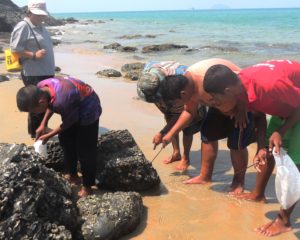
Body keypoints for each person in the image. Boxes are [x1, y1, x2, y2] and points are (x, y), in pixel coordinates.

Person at [202, 59, 300, 237]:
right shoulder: (240, 85)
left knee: (294, 162)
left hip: (297, 107)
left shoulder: (270, 85)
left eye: (216, 101)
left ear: (228, 91)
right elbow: (259, 114)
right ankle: (257, 195)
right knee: (269, 152)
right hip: (286, 107)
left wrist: (281, 130)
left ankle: (284, 220)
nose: (215, 105)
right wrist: (261, 147)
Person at [158, 58, 256, 194]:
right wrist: (169, 134)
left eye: (176, 103)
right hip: (219, 106)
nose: (175, 107)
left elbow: (241, 83)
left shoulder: (204, 80)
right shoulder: (187, 85)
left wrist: (242, 107)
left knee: (236, 144)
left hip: (240, 105)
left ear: (183, 94)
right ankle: (205, 176)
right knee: (207, 134)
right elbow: (189, 112)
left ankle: (238, 181)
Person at [16, 76, 102, 198]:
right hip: (72, 105)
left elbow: (68, 122)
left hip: (88, 108)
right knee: (65, 140)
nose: (34, 114)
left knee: (86, 150)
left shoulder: (63, 99)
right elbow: (50, 104)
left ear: (41, 102)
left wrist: (49, 135)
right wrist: (43, 124)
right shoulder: (41, 87)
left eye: (33, 111)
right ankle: (73, 175)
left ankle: (88, 187)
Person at [137, 61, 205, 170]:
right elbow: (170, 114)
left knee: (187, 126)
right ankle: (176, 152)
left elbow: (183, 114)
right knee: (169, 117)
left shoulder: (182, 80)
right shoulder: (147, 78)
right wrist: (164, 131)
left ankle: (185, 157)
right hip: (166, 91)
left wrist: (163, 132)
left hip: (182, 94)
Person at [10, 0, 55, 138]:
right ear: (29, 12)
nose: (42, 17)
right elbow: (15, 49)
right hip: (34, 73)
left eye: (43, 15)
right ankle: (35, 133)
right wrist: (34, 55)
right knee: (36, 104)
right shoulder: (23, 26)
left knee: (45, 103)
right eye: (38, 14)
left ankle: (42, 128)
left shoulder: (40, 26)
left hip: (46, 72)